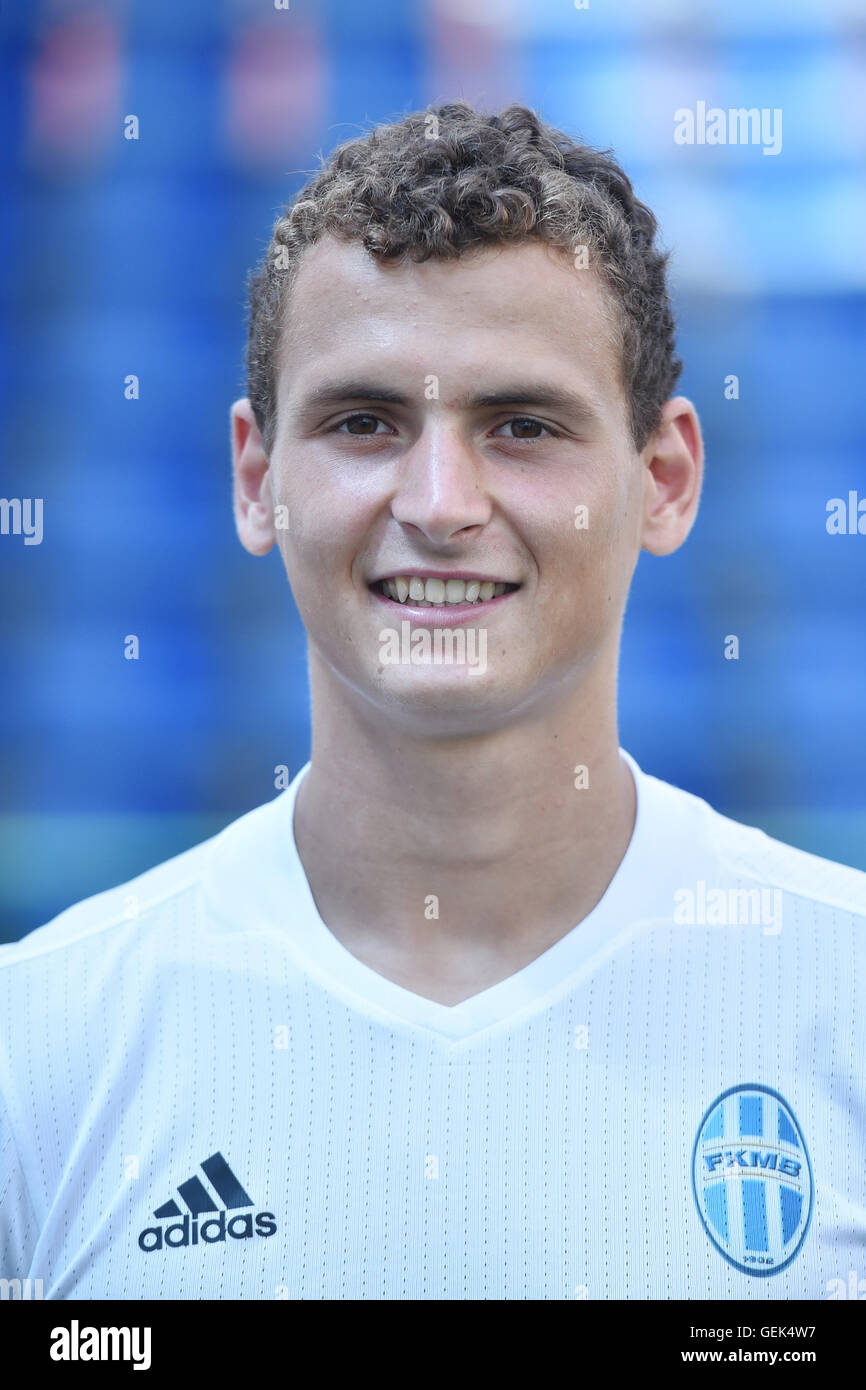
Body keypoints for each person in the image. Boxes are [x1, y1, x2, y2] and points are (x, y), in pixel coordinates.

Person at [1, 102, 863, 1301]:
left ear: (661, 480)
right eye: (365, 423)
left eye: (520, 425)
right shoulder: (41, 1048)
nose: (440, 501)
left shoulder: (845, 998)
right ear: (257, 480)